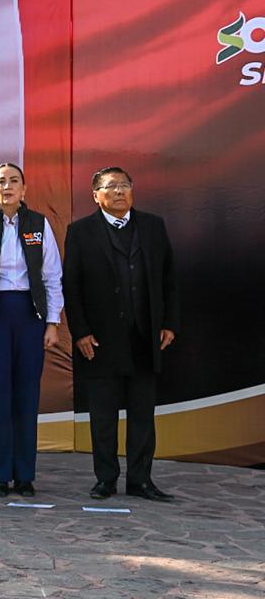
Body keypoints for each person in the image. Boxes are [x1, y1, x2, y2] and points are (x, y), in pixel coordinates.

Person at [64, 167, 178, 502]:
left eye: (124, 185)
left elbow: (169, 278)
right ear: (95, 194)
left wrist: (169, 322)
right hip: (100, 341)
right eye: (110, 187)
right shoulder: (80, 231)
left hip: (145, 338)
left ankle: (141, 480)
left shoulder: (153, 226)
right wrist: (81, 332)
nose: (119, 192)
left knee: (143, 415)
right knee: (103, 416)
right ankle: (106, 479)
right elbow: (72, 287)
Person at [0, 164, 63, 498]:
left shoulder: (38, 224)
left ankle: (25, 475)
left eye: (14, 181)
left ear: (24, 189)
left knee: (27, 394)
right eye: (1, 181)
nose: (8, 186)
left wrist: (53, 322)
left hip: (30, 315)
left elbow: (51, 277)